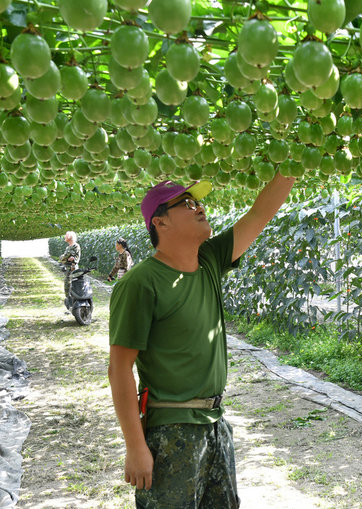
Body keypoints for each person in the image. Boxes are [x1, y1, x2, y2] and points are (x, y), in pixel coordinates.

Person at [107, 174, 295, 507]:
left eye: (199, 202)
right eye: (188, 203)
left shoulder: (208, 260)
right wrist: (135, 446)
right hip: (171, 430)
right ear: (160, 222)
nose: (200, 207)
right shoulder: (141, 283)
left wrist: (292, 166)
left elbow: (258, 215)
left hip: (215, 423)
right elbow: (119, 369)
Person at [59, 231, 81, 298]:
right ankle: (69, 299)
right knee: (67, 284)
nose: (65, 237)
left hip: (72, 268)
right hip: (67, 268)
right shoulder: (68, 247)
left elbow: (75, 257)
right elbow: (63, 258)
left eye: (66, 236)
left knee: (73, 283)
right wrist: (65, 257)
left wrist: (68, 258)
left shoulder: (75, 246)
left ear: (70, 237)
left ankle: (74, 298)